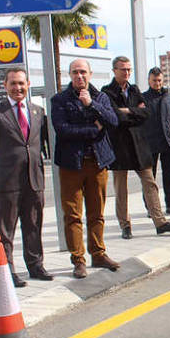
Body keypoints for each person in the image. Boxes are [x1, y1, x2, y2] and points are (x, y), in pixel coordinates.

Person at [0, 68, 53, 288]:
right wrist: (1, 169)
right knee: (6, 230)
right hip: (7, 182)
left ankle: (35, 265)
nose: (17, 88)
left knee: (33, 225)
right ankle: (7, 270)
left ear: (28, 84)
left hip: (33, 180)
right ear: (5, 86)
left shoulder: (38, 112)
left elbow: (42, 145)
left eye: (21, 83)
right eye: (13, 84)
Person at [51, 59, 121, 279]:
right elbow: (62, 130)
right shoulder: (59, 100)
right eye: (75, 72)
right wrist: (93, 129)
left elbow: (113, 121)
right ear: (69, 75)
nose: (79, 76)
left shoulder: (101, 97)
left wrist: (92, 105)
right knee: (72, 215)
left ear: (90, 74)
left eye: (83, 72)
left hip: (98, 162)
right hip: (72, 164)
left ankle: (98, 253)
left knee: (97, 212)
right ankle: (78, 260)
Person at [101, 56, 170, 240]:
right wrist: (133, 111)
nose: (126, 72)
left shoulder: (134, 90)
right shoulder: (107, 92)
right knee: (121, 188)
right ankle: (125, 226)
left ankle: (160, 222)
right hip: (120, 146)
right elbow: (114, 117)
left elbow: (145, 113)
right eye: (123, 69)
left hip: (139, 144)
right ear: (114, 71)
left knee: (150, 183)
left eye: (129, 69)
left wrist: (128, 111)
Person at [141, 67, 170, 216]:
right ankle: (151, 207)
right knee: (150, 177)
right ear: (149, 81)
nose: (157, 83)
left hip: (167, 142)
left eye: (159, 80)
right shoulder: (143, 98)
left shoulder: (169, 97)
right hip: (149, 143)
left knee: (169, 175)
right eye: (154, 80)